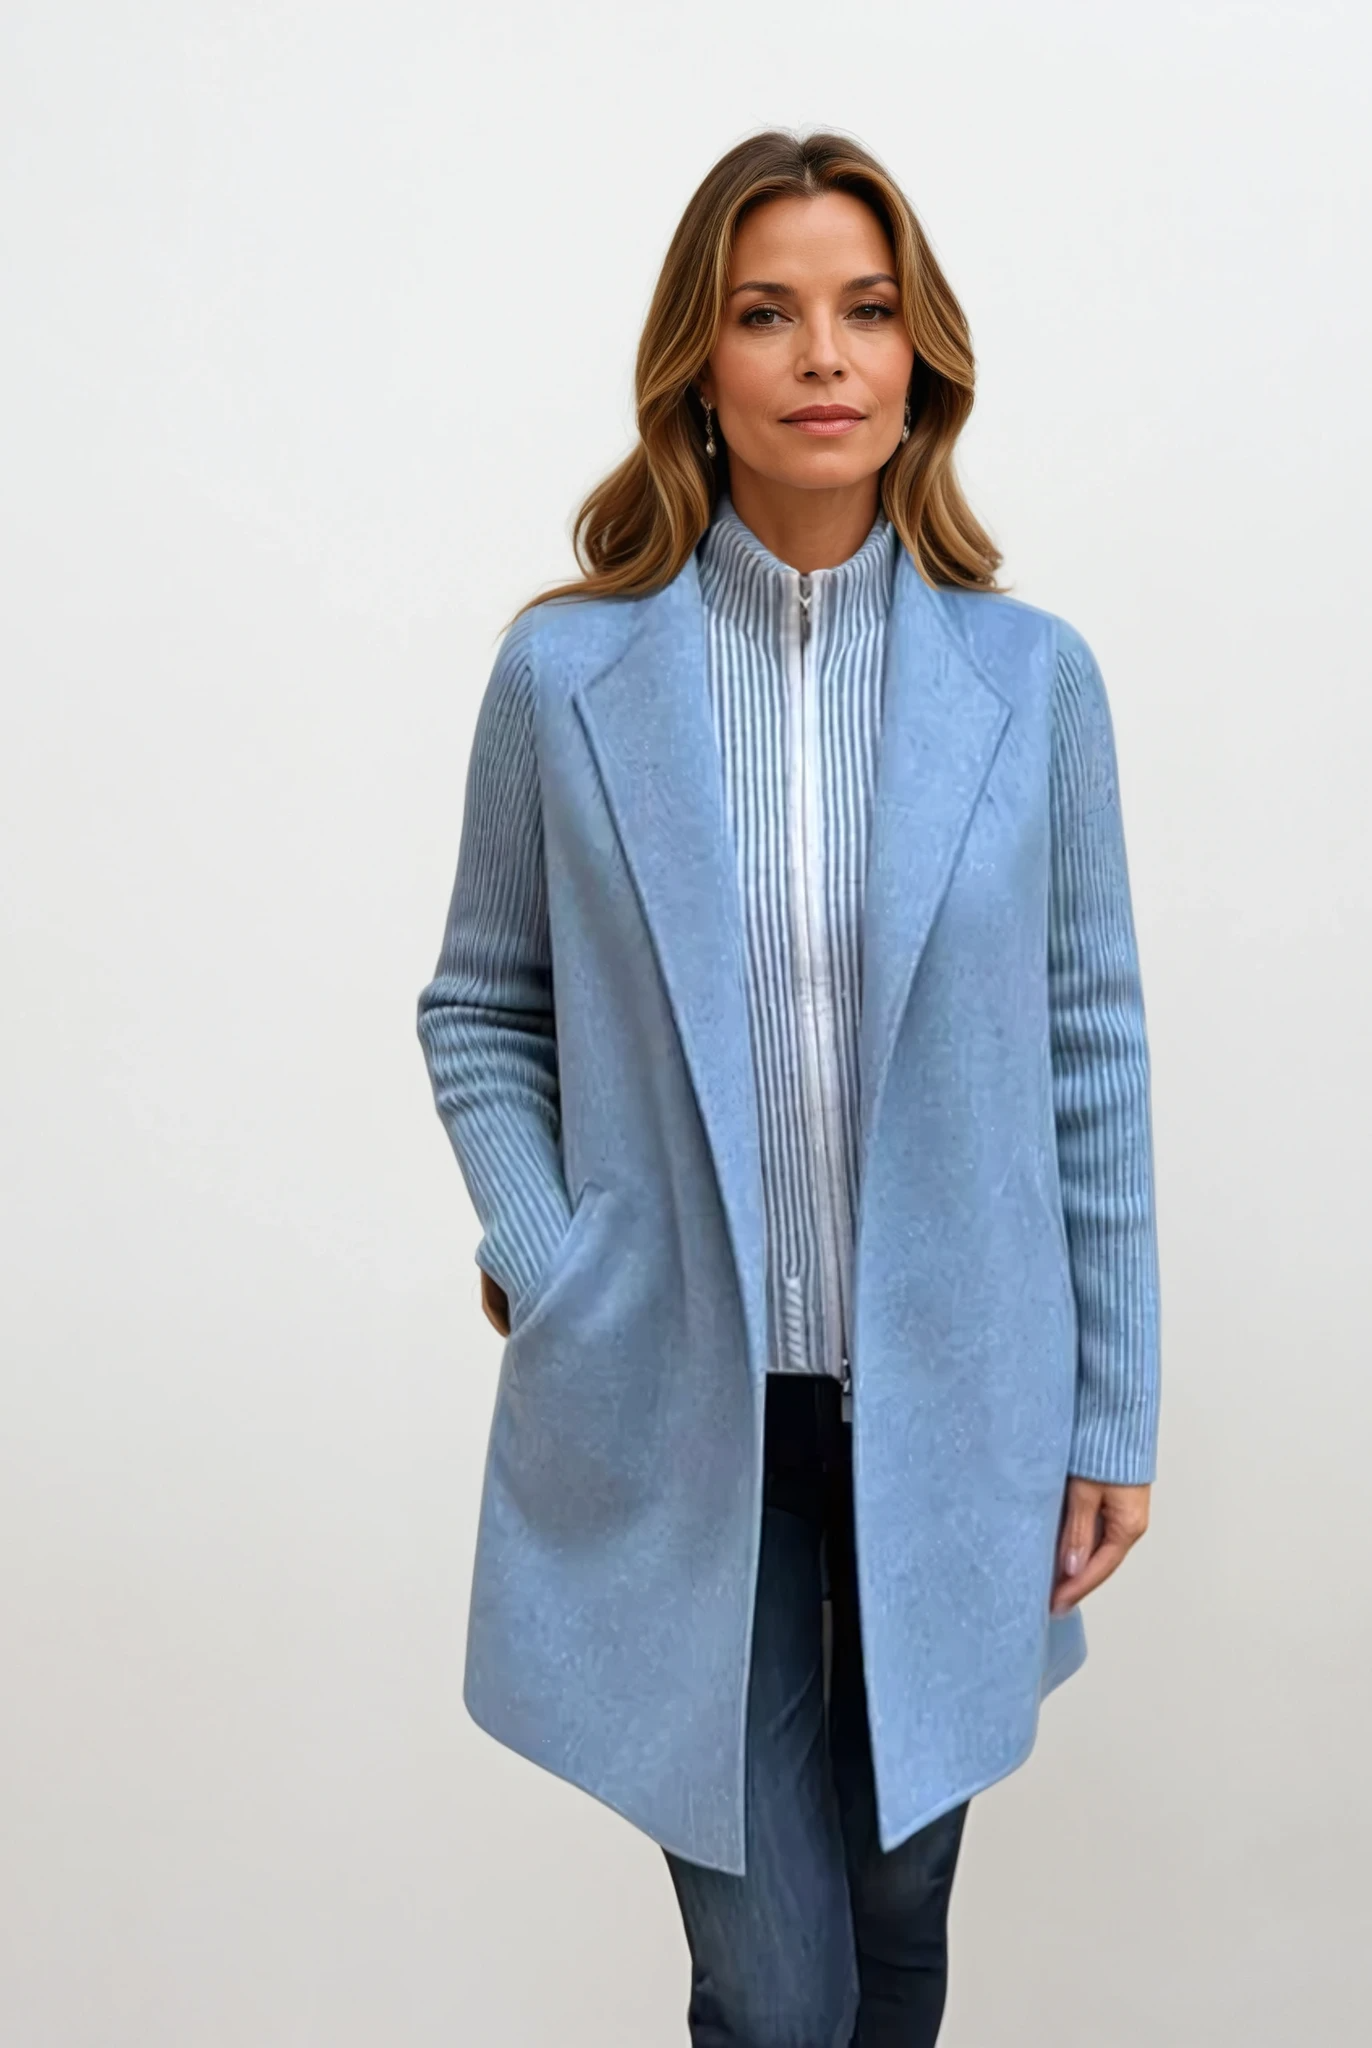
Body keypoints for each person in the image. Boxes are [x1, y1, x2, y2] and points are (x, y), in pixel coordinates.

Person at [415, 126, 1161, 2048]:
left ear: (919, 360)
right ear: (699, 363)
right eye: (766, 313)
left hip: (962, 1398)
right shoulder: (569, 680)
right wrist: (559, 1261)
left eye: (864, 309)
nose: (822, 354)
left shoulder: (1033, 683)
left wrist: (1113, 1405)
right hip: (682, 1401)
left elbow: (1090, 1047)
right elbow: (481, 1007)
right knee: (771, 1985)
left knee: (899, 1919)